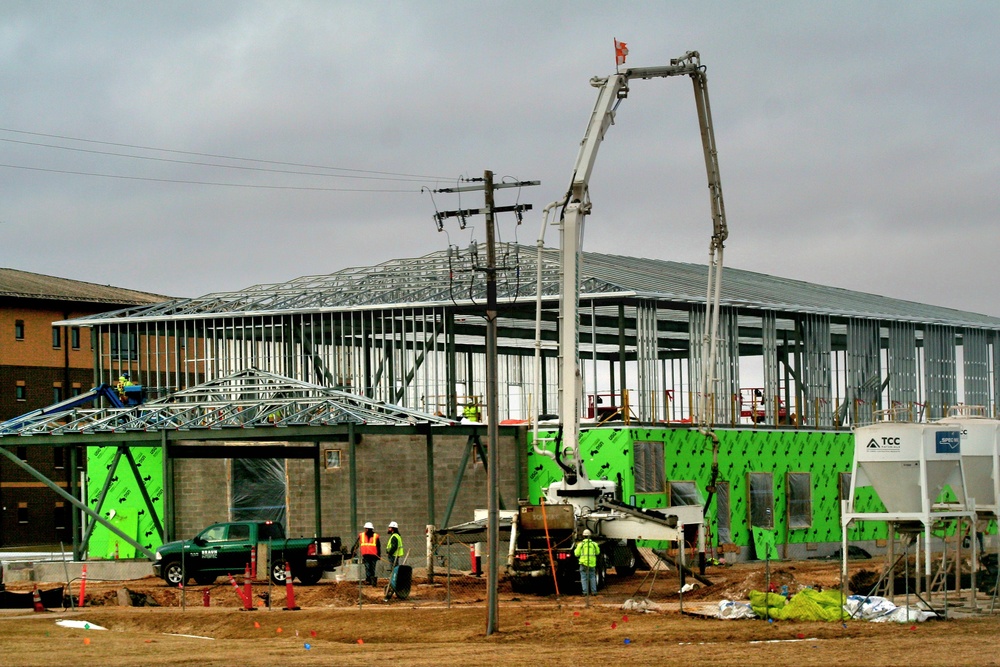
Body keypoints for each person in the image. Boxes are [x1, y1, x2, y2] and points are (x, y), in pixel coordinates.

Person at [350, 522, 381, 586]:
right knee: (367, 567)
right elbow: (357, 544)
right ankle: (368, 580)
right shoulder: (362, 535)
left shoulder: (375, 536)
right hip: (366, 555)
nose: (366, 530)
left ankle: (371, 580)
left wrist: (379, 555)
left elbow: (378, 546)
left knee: (372, 568)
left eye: (367, 528)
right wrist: (353, 550)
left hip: (374, 555)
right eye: (366, 528)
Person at [574, 529, 600, 596]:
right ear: (590, 536)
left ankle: (585, 592)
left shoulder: (581, 545)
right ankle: (594, 592)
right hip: (592, 564)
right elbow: (598, 552)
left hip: (583, 564)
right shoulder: (594, 544)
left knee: (583, 578)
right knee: (592, 577)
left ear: (583, 536)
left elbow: (576, 554)